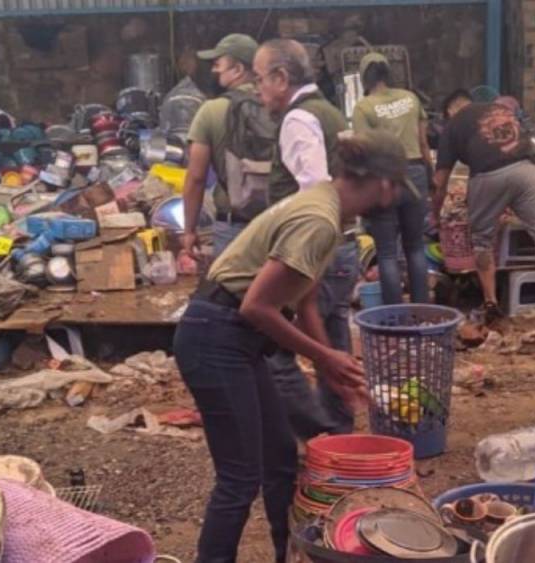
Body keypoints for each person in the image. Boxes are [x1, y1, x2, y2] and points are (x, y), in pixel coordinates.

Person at [173, 130, 407, 563]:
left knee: (280, 455)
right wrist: (324, 356)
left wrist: (329, 368)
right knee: (239, 477)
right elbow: (256, 306)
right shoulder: (318, 220)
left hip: (235, 339)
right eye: (396, 186)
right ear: (384, 184)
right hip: (217, 335)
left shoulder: (327, 208)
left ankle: (287, 554)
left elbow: (306, 303)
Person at [253, 39, 358, 437]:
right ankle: (340, 441)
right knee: (332, 343)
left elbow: (314, 188)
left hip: (314, 253)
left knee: (277, 349)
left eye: (261, 79)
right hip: (341, 247)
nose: (258, 90)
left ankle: (317, 438)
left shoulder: (299, 120)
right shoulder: (329, 112)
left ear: (281, 78)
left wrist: (304, 261)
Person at [433, 97, 535, 324]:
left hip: (488, 177)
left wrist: (435, 212)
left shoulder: (452, 126)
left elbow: (440, 182)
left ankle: (491, 304)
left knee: (482, 241)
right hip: (526, 170)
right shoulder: (497, 108)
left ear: (449, 112)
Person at [180, 33, 274, 258]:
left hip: (234, 228)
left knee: (234, 291)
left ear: (238, 69)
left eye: (218, 64)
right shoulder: (280, 105)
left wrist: (189, 230)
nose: (214, 70)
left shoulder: (211, 111)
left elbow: (196, 177)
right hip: (279, 224)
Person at [352, 52, 431, 304]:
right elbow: (423, 143)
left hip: (384, 179)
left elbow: (363, 152)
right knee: (415, 247)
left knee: (386, 253)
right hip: (415, 172)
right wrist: (429, 176)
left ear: (364, 78)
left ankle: (394, 315)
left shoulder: (363, 107)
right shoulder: (410, 98)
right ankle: (421, 310)